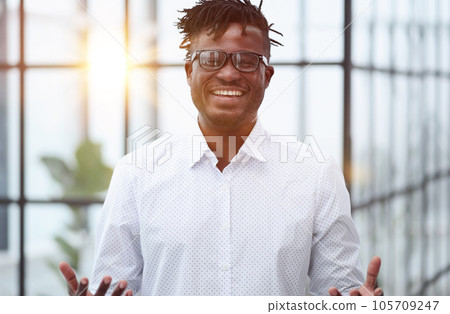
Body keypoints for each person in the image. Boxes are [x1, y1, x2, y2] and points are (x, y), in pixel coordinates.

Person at [59, 0, 383, 296]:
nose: (229, 74)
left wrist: (356, 303)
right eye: (212, 58)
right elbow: (115, 291)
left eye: (246, 60)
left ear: (266, 76)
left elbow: (337, 295)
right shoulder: (135, 175)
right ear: (189, 72)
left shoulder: (316, 176)